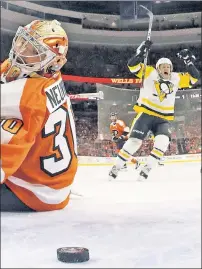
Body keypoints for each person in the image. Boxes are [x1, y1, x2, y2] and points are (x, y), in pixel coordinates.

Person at [0, 19, 78, 211]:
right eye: (23, 41)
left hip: (36, 191)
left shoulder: (28, 100)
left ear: (55, 62)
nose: (21, 50)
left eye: (33, 51)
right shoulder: (44, 73)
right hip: (53, 180)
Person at [109, 41, 200, 181]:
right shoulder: (149, 72)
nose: (166, 68)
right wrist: (141, 53)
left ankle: (147, 169)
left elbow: (195, 78)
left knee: (163, 143)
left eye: (168, 66)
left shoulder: (176, 78)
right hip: (146, 114)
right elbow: (132, 65)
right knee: (134, 142)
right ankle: (116, 167)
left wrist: (189, 62)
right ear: (157, 68)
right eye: (163, 66)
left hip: (164, 118)